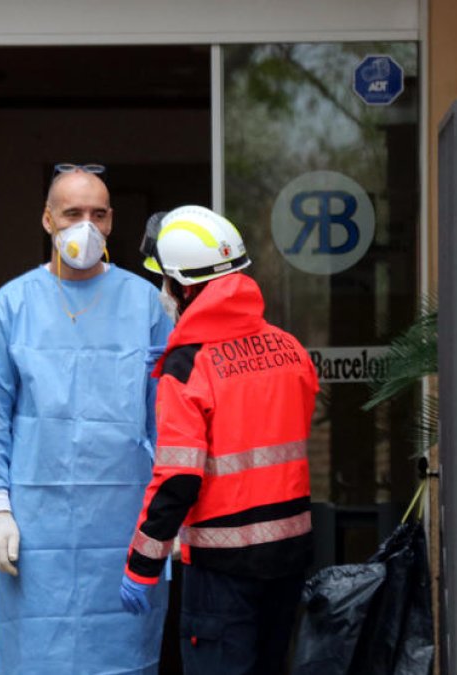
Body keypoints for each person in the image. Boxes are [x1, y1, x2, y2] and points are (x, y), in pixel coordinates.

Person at [0, 164, 173, 674]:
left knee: (124, 656)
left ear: (110, 223)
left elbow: (168, 417)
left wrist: (170, 515)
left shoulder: (145, 302)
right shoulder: (12, 305)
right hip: (36, 533)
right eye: (72, 213)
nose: (86, 225)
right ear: (47, 220)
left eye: (98, 214)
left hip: (126, 522)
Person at [119, 205, 319, 675]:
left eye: (164, 282)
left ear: (184, 286)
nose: (162, 293)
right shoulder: (290, 348)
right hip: (288, 560)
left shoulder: (188, 367)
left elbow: (178, 479)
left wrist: (141, 565)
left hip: (221, 571)